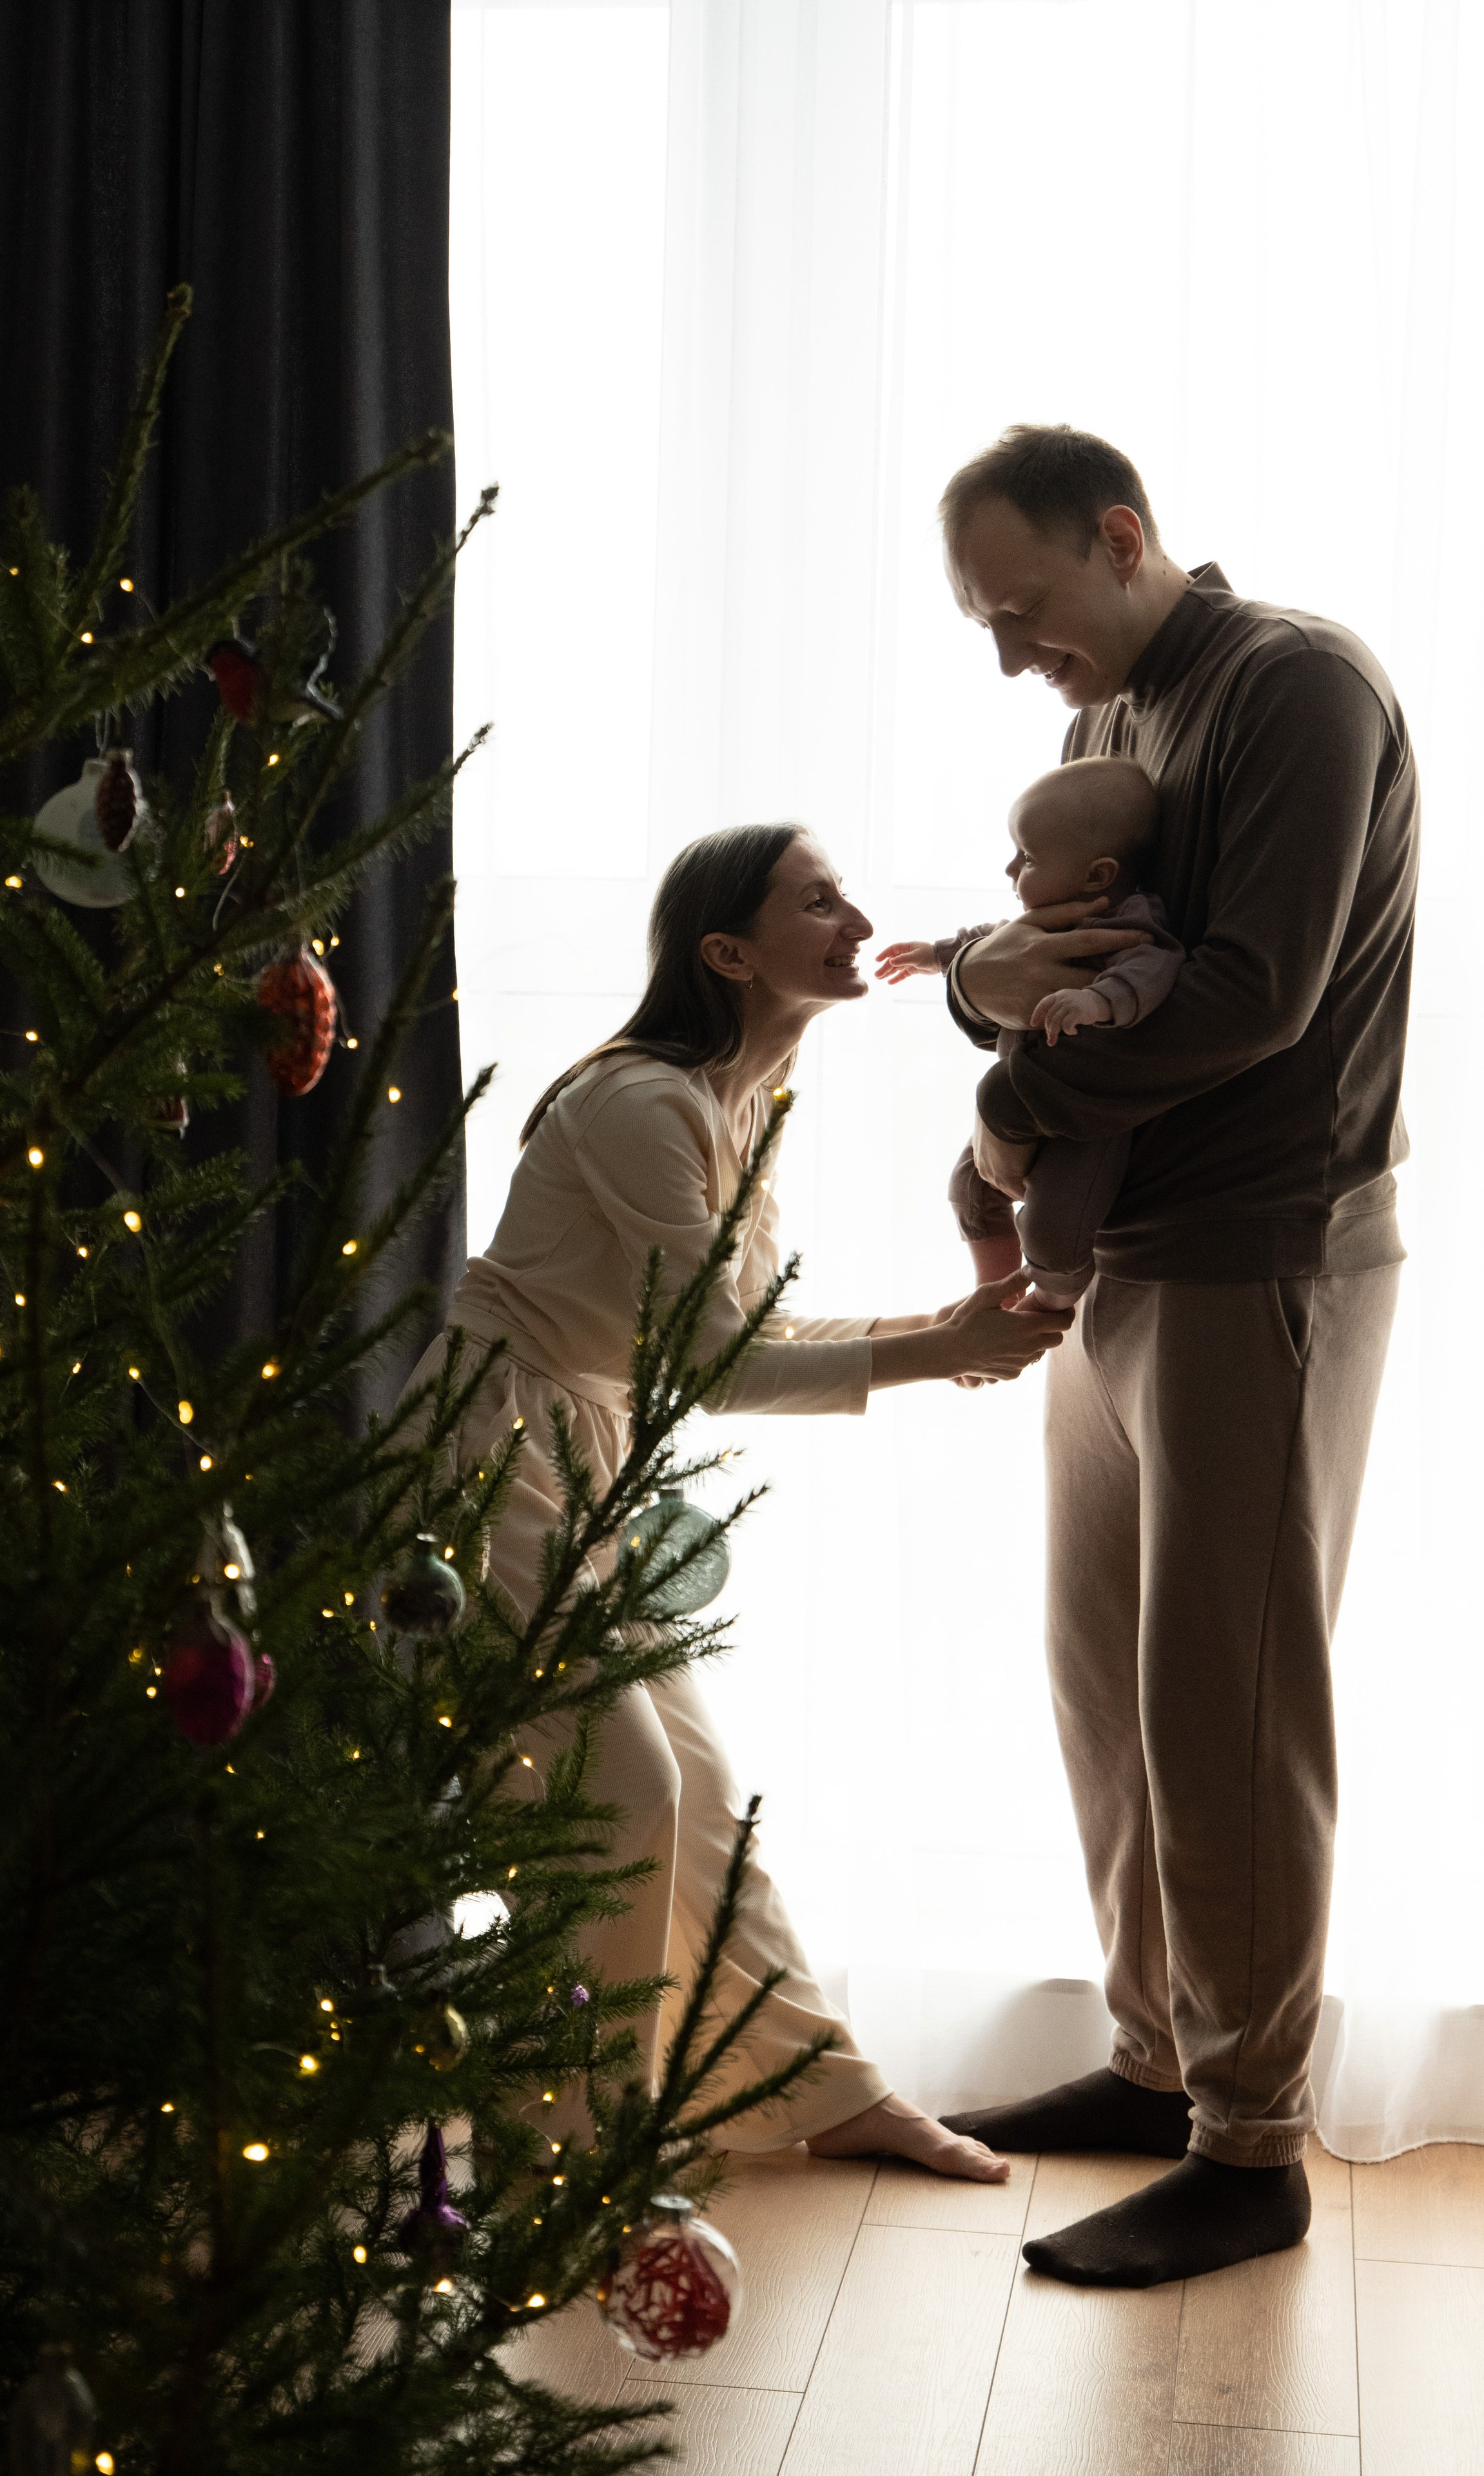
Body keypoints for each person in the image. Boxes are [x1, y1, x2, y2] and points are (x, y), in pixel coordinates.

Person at [926, 424, 1416, 2286]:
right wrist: (985, 986)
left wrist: (999, 1083)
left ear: (1122, 537)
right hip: (1118, 1260)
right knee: (1107, 1691)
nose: (1010, 657)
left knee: (1232, 1707)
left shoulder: (1294, 689)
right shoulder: (1106, 732)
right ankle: (1159, 2060)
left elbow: (1249, 993)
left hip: (1264, 1257)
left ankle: (1254, 2142)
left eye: (1023, 610)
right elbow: (1043, 949)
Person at [406, 823, 1067, 2181]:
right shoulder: (643, 1102)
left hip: (576, 1446)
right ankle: (563, 2136)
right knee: (617, 1787)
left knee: (696, 1795)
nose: (851, 916)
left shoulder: (740, 1102)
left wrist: (934, 1328)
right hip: (487, 1449)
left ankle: (830, 2095)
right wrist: (935, 1354)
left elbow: (730, 1322)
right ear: (726, 951)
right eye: (814, 900)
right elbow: (703, 1363)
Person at [876, 755, 1182, 1310]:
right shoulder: (1053, 914)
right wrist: (939, 955)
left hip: (1082, 1118)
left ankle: (1052, 1294)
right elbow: (994, 937)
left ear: (1099, 874)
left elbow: (1155, 969)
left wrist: (1096, 1000)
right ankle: (992, 1292)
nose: (1010, 870)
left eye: (1028, 858)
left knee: (1054, 1228)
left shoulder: (1131, 921)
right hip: (1024, 1095)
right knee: (967, 1189)